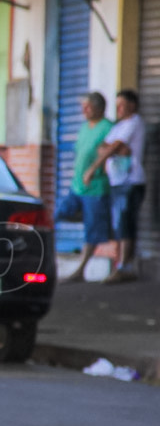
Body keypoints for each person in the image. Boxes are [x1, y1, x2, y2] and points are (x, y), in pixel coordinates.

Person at [84, 88, 147, 283]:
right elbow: (104, 147)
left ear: (132, 106)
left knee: (126, 225)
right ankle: (120, 265)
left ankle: (124, 267)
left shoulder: (134, 123)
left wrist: (95, 167)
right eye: (117, 104)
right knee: (119, 225)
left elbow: (112, 147)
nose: (118, 108)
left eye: (122, 104)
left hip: (130, 181)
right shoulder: (119, 126)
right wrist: (115, 150)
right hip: (117, 182)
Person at [60, 91, 112, 283]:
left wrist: (95, 169)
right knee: (61, 212)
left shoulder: (107, 127)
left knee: (92, 231)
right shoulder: (84, 127)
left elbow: (110, 153)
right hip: (77, 185)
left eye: (88, 106)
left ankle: (81, 269)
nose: (84, 110)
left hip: (96, 187)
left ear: (99, 108)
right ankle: (95, 219)